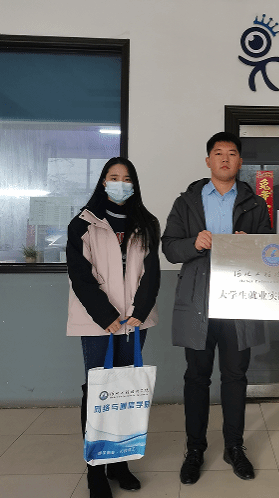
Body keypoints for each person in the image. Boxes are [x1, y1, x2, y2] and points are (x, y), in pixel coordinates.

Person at [162, 131, 271, 485]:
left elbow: (271, 252)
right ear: (208, 160)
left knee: (236, 377)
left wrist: (252, 245)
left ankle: (234, 447)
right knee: (196, 377)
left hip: (239, 301)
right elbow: (169, 248)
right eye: (218, 153)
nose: (225, 158)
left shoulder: (255, 204)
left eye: (232, 153)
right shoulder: (187, 202)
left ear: (240, 161)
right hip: (199, 301)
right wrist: (194, 243)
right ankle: (195, 449)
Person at [66, 157, 160, 498]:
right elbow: (80, 275)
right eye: (113, 177)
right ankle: (95, 470)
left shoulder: (147, 222)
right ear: (103, 182)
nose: (120, 183)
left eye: (126, 178)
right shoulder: (83, 223)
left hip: (134, 320)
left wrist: (140, 310)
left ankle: (119, 464)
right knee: (99, 392)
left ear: (134, 184)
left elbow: (152, 271)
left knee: (124, 392)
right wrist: (105, 315)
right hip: (98, 322)